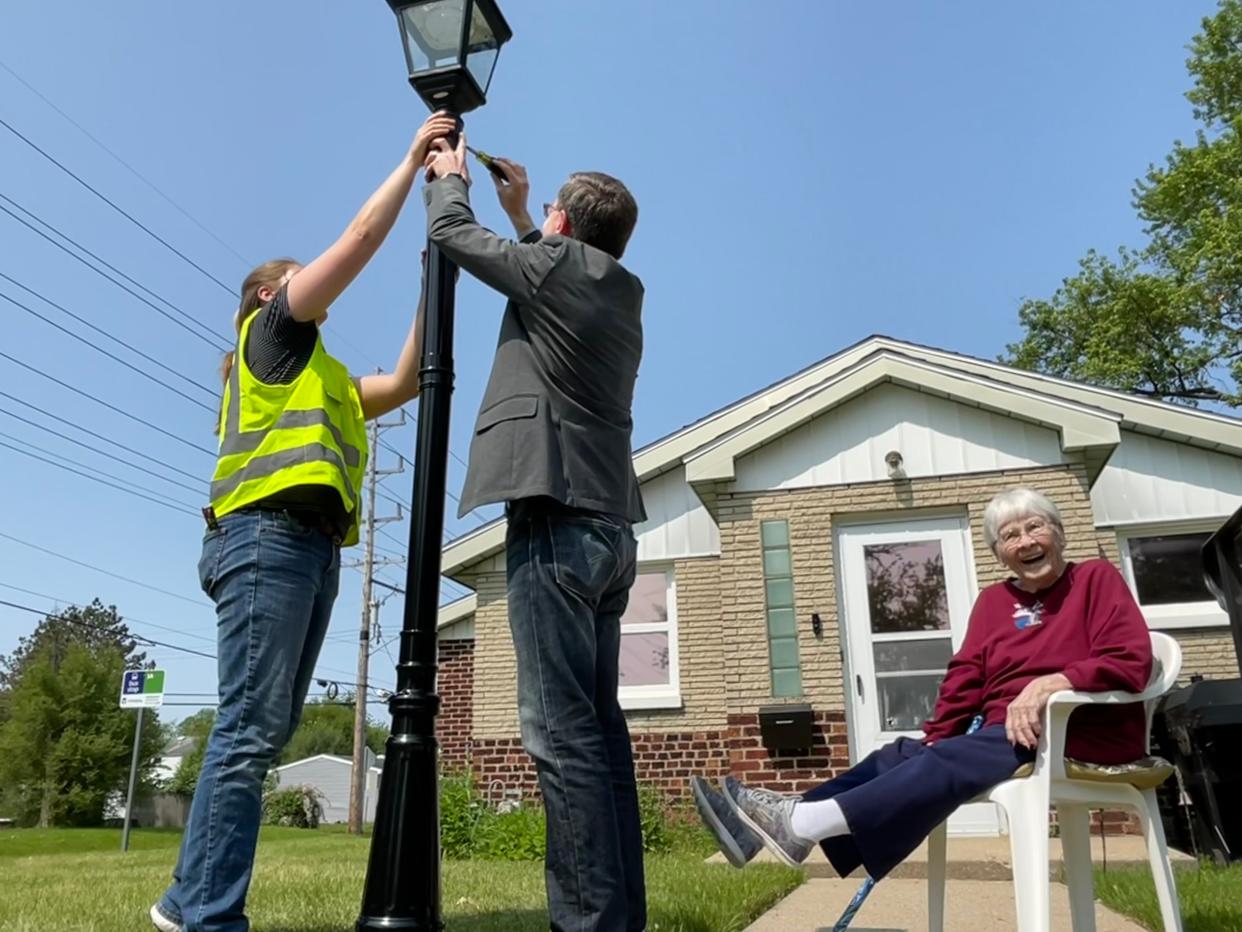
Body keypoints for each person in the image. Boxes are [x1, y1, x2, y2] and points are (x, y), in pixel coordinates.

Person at [150, 111, 458, 932]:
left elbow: (400, 383)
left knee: (262, 728)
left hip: (307, 552)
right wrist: (408, 161)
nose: (309, 281)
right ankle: (207, 915)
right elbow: (358, 239)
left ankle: (185, 901)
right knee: (250, 731)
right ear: (267, 293)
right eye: (295, 275)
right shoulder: (272, 334)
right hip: (263, 540)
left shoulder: (320, 376)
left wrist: (438, 276)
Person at [692, 487, 1154, 882]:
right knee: (901, 755)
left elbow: (1132, 659)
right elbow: (967, 673)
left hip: (1084, 731)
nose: (1026, 541)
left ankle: (801, 822)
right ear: (998, 552)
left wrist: (1052, 684)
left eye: (1035, 527)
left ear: (1058, 532)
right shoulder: (995, 601)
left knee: (951, 756)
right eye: (1010, 535)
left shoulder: (1094, 579)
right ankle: (774, 831)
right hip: (1006, 737)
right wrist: (936, 735)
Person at [422, 133, 646, 931]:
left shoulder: (555, 266)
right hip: (611, 530)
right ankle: (618, 918)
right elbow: (544, 273)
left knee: (560, 738)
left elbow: (453, 237)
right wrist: (525, 214)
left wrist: (453, 183)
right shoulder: (617, 288)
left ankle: (586, 924)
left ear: (568, 223)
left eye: (550, 204)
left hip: (555, 525)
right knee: (601, 734)